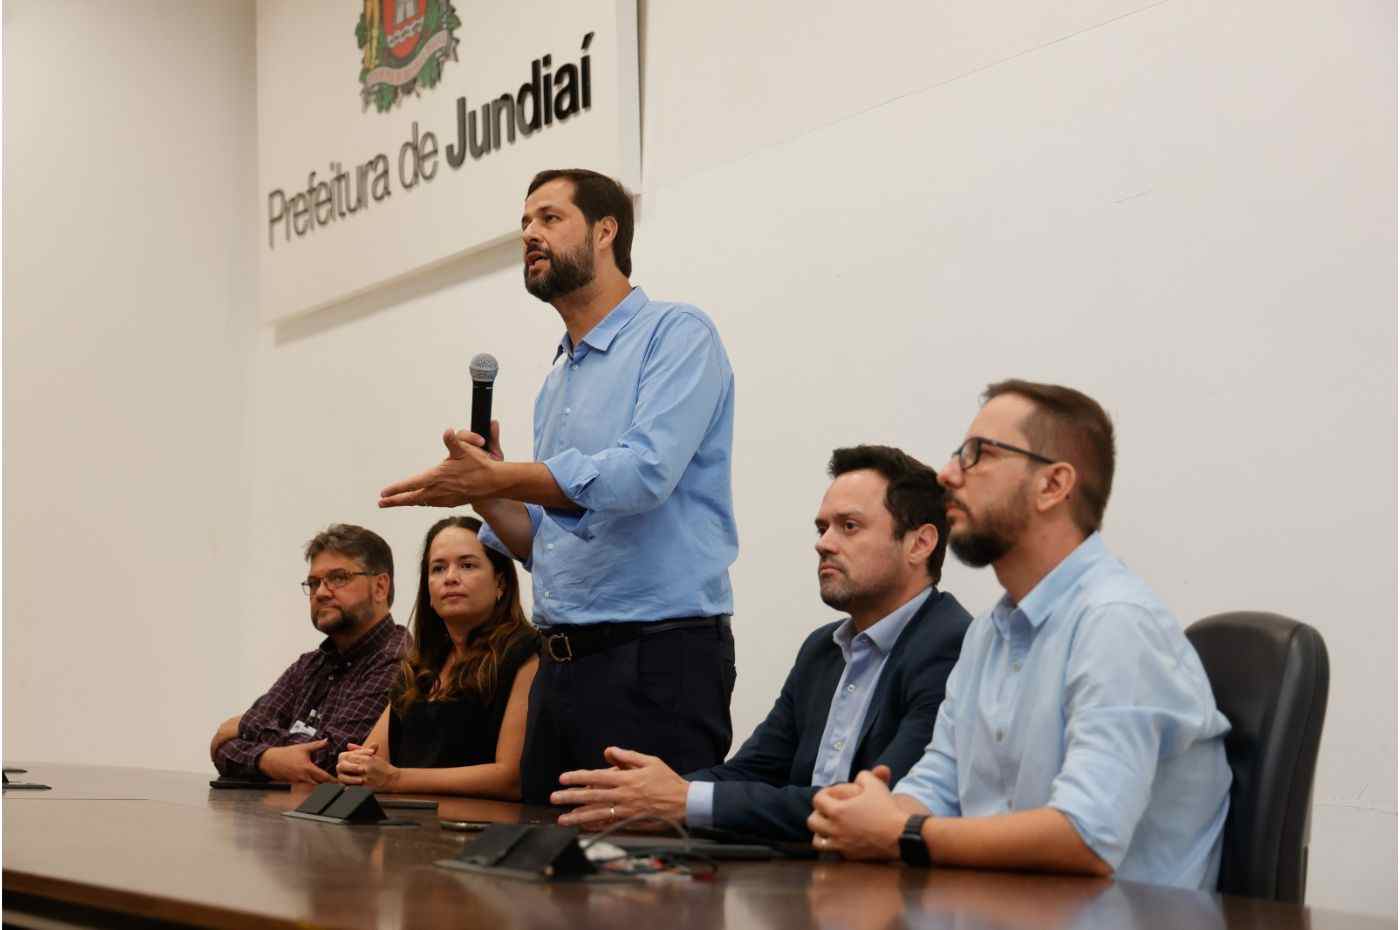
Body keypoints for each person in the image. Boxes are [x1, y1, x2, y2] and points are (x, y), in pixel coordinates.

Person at [378, 168, 738, 802]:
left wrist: (506, 474)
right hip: (561, 664)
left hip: (656, 659)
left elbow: (643, 474)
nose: (529, 235)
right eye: (523, 223)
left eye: (549, 218)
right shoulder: (556, 384)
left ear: (606, 231)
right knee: (544, 872)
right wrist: (484, 491)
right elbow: (540, 544)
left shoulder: (677, 335)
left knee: (645, 877)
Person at [807, 380, 1231, 890]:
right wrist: (869, 816)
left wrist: (901, 832)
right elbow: (938, 781)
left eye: (977, 455)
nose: (947, 476)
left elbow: (1086, 834)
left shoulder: (1116, 623)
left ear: (1052, 486)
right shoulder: (989, 632)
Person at [549, 446, 971, 839]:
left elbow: (873, 807)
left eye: (849, 526)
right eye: (823, 527)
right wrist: (641, 795)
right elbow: (756, 771)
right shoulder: (823, 648)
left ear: (920, 543)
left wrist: (684, 800)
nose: (823, 543)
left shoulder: (951, 645)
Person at [334, 516, 539, 797]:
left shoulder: (526, 652)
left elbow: (510, 777)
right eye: (438, 568)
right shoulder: (420, 666)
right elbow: (373, 755)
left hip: (483, 831)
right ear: (428, 590)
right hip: (408, 830)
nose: (451, 577)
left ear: (500, 583)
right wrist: (355, 765)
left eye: (467, 565)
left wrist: (396, 780)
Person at [211, 524, 407, 783]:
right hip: (283, 816)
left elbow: (329, 762)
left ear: (380, 587)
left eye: (338, 578)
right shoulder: (309, 665)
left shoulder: (399, 661)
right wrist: (268, 760)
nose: (322, 593)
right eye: (314, 583)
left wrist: (244, 726)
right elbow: (222, 751)